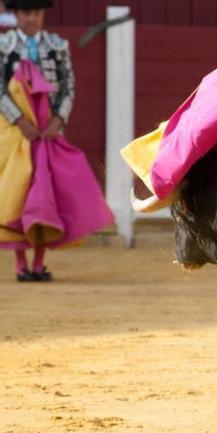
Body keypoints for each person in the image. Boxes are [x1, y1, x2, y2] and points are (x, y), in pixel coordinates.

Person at [0, 0, 113, 281]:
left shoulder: (56, 45)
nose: (32, 19)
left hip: (48, 130)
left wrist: (57, 120)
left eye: (36, 13)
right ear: (16, 14)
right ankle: (20, 264)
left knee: (45, 196)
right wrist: (19, 120)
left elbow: (68, 85)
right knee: (21, 195)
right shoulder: (4, 46)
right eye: (27, 13)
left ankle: (38, 264)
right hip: (17, 132)